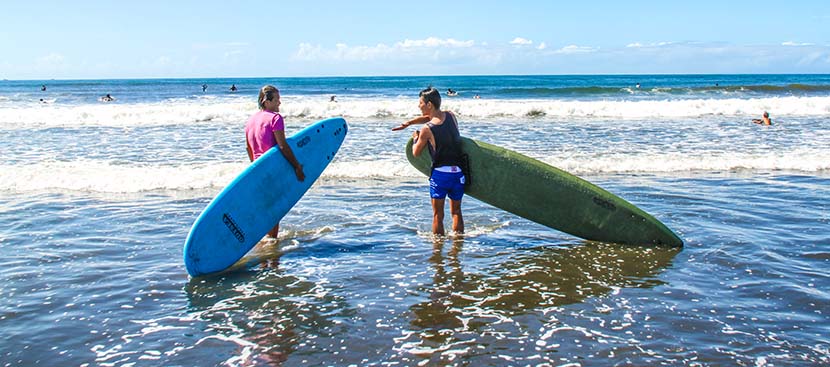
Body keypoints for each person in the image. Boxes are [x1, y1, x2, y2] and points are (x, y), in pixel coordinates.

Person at [395, 87, 465, 235]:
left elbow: (416, 153)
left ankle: (437, 248)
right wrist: (409, 122)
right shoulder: (451, 116)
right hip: (458, 173)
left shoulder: (427, 129)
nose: (418, 106)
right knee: (457, 212)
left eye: (420, 103)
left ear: (429, 105)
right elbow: (433, 117)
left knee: (438, 215)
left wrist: (416, 137)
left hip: (440, 175)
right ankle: (458, 245)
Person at [245, 85, 305, 239]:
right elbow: (283, 145)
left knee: (265, 208)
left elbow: (248, 148)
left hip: (257, 169)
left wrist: (255, 166)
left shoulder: (251, 120)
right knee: (274, 210)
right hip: (272, 171)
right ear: (266, 101)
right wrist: (297, 166)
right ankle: (271, 245)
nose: (280, 103)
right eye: (277, 99)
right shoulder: (275, 118)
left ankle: (266, 242)